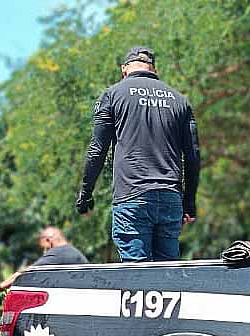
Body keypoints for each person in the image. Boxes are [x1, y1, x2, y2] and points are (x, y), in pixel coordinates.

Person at [76, 45, 201, 262]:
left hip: (133, 197)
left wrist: (85, 195)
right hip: (171, 197)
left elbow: (97, 150)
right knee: (167, 275)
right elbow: (193, 155)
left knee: (136, 276)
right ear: (154, 70)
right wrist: (189, 203)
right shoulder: (180, 100)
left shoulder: (112, 95)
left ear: (124, 70)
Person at [0, 226, 88, 301]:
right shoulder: (74, 253)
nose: (45, 252)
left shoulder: (57, 253)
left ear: (48, 241)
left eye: (45, 249)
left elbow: (26, 273)